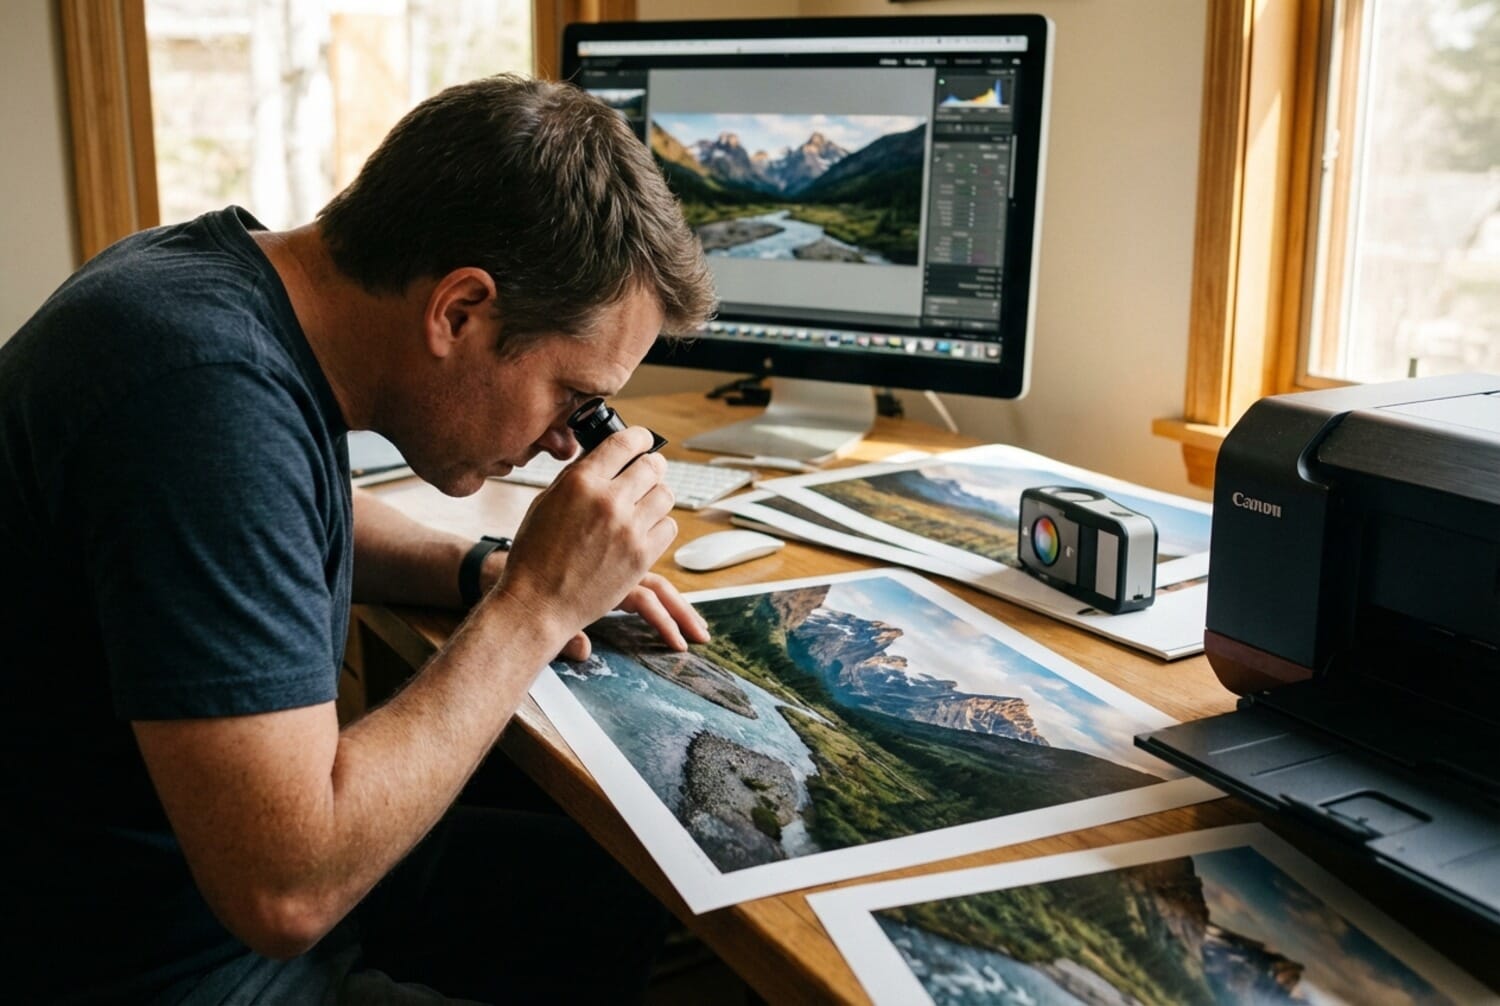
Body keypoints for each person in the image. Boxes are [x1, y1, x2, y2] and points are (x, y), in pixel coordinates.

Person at [0, 74, 717, 1003]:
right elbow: (285, 891)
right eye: (573, 399)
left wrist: (484, 569)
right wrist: (537, 602)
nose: (558, 442)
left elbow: (279, 521)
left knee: (612, 894)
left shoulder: (207, 286)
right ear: (458, 311)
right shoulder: (202, 399)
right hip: (154, 954)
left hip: (153, 878)